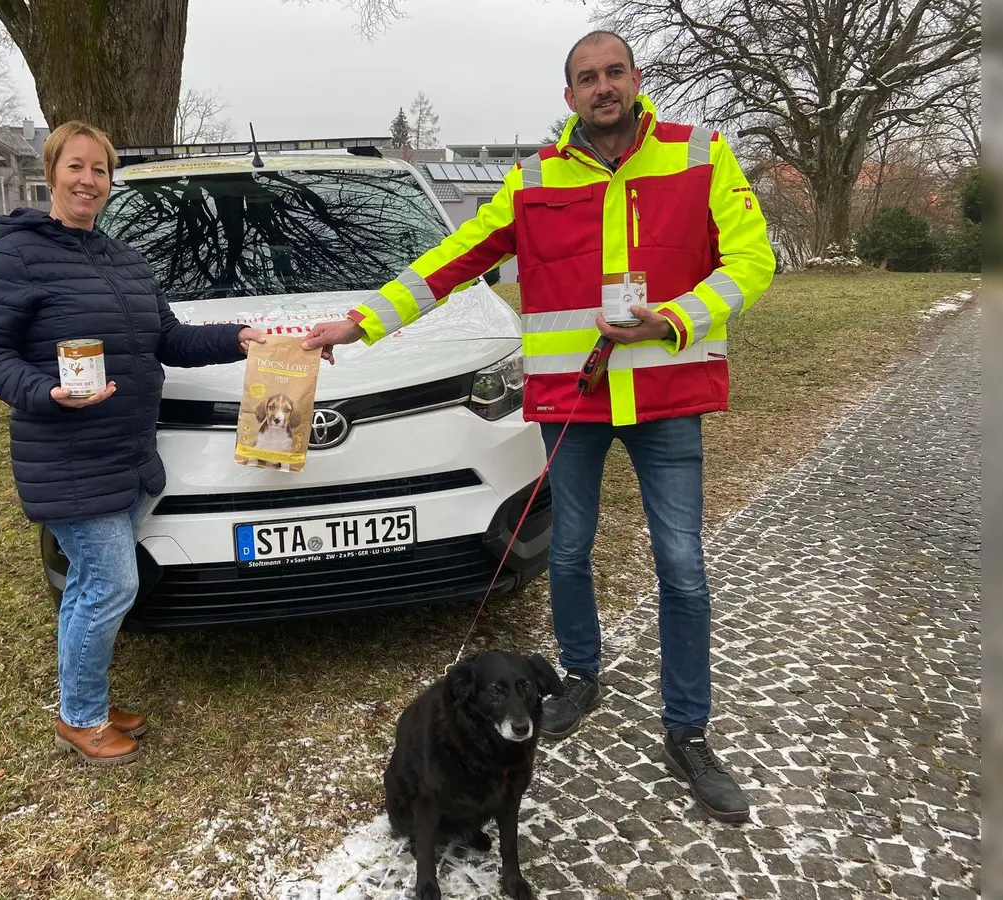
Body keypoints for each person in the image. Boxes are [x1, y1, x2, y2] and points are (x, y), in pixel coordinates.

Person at [302, 31, 775, 821]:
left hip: (665, 396)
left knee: (683, 567)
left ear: (636, 78)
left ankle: (688, 732)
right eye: (587, 78)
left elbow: (752, 260)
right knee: (567, 549)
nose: (603, 86)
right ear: (569, 95)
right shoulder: (533, 178)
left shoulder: (700, 153)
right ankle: (580, 677)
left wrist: (674, 318)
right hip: (574, 399)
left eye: (614, 72)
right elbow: (455, 258)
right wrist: (360, 323)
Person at [0, 121, 264, 766]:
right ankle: (81, 718)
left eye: (99, 169)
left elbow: (169, 338)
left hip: (128, 453)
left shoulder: (123, 260)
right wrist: (45, 391)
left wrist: (236, 337)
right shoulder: (16, 256)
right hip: (68, 456)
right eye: (75, 166)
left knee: (89, 587)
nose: (88, 180)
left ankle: (85, 697)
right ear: (51, 173)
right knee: (109, 585)